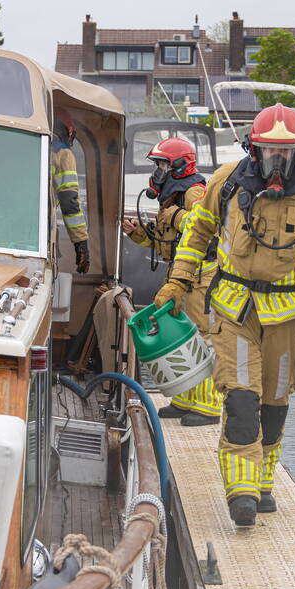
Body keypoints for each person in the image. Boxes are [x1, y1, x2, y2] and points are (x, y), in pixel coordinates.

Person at [154, 103, 295, 527]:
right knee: (242, 401)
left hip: (287, 316)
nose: (276, 164)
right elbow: (197, 233)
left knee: (274, 404)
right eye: (268, 154)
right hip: (234, 308)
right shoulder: (227, 183)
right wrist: (178, 282)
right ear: (253, 150)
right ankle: (241, 493)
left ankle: (263, 482)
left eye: (285, 155)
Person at [122, 137, 222, 426]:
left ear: (180, 165)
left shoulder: (194, 192)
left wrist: (176, 215)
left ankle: (208, 407)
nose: (158, 171)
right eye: (157, 165)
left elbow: (206, 227)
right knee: (181, 339)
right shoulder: (172, 195)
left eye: (162, 164)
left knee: (201, 337)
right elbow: (167, 240)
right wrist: (137, 232)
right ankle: (184, 400)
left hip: (200, 276)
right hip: (180, 277)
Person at [51, 107, 90, 274]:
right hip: (34, 233)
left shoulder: (25, 143)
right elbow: (69, 201)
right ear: (69, 133)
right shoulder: (63, 154)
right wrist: (81, 244)